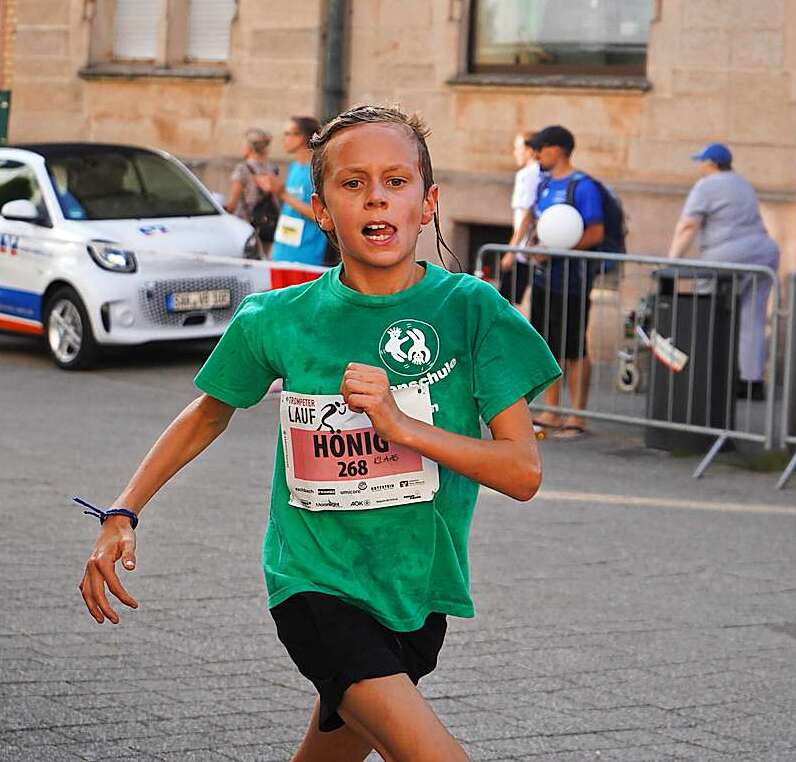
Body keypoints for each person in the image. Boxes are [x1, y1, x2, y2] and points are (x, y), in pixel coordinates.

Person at [77, 104, 561, 762]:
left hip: (419, 590)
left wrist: (400, 426)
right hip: (314, 585)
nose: (377, 198)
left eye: (396, 180)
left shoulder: (473, 311)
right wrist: (123, 508)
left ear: (428, 201)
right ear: (322, 209)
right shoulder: (277, 318)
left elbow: (522, 472)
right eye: (353, 183)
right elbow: (207, 413)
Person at [508, 125, 604, 438]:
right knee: (547, 344)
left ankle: (577, 415)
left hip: (573, 280)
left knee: (574, 346)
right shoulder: (545, 183)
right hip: (544, 279)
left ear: (558, 149)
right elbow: (535, 220)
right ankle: (552, 410)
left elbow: (594, 232)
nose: (536, 155)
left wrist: (559, 250)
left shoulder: (583, 186)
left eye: (541, 149)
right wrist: (527, 248)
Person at [668, 143, 780, 401]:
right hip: (764, 251)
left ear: (711, 164)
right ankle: (751, 382)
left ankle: (706, 372)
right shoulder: (743, 183)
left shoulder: (707, 185)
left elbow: (688, 225)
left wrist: (672, 261)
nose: (699, 167)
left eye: (701, 162)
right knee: (753, 318)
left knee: (707, 311)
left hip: (727, 252)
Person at [259, 116, 328, 267]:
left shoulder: (316, 171)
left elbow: (320, 215)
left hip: (305, 256)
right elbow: (290, 207)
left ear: (301, 138)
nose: (285, 139)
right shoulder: (294, 167)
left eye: (288, 134)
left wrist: (283, 194)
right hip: (282, 251)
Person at [499, 131, 539, 305]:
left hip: (522, 251)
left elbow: (527, 215)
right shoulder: (537, 173)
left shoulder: (528, 174)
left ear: (530, 150)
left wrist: (511, 250)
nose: (515, 153)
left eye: (518, 148)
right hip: (527, 249)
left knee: (506, 301)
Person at [226, 127, 279, 256]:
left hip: (244, 225)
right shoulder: (272, 169)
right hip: (266, 224)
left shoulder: (242, 169)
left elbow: (232, 204)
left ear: (249, 148)